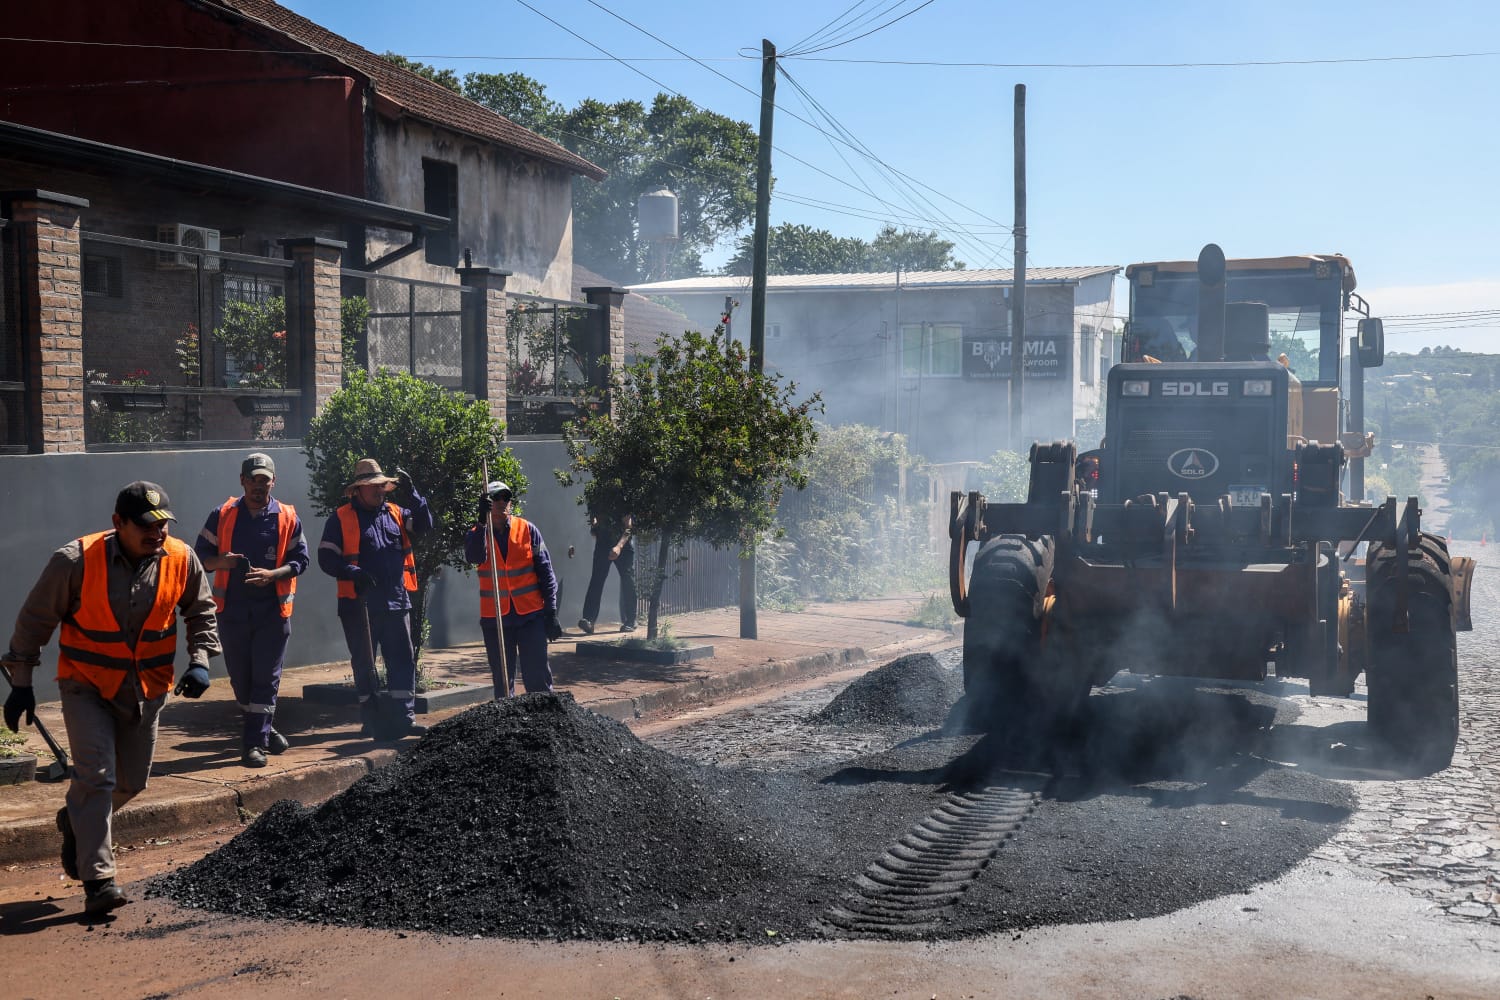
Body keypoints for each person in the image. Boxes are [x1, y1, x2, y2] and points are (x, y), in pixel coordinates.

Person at [1, 481, 220, 918]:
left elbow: (201, 610)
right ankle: (99, 881)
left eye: (162, 523)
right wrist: (21, 683)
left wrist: (201, 660)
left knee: (131, 782)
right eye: (145, 525)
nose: (156, 532)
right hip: (87, 685)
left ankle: (74, 822)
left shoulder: (180, 557)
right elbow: (34, 621)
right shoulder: (75, 560)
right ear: (118, 522)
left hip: (147, 687)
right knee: (96, 777)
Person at [194, 452, 309, 768]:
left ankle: (253, 744)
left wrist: (273, 575)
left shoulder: (287, 517)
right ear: (242, 481)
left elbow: (301, 560)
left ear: (273, 481)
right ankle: (265, 728)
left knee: (266, 678)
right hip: (232, 611)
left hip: (273, 612)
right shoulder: (222, 515)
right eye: (253, 479)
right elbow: (200, 557)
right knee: (241, 679)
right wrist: (224, 562)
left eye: (265, 480)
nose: (259, 486)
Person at [317, 458, 433, 739]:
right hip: (359, 606)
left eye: (382, 486)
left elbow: (425, 526)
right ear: (358, 490)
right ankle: (371, 721)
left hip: (396, 601)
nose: (379, 491)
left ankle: (404, 719)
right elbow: (326, 558)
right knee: (365, 664)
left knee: (402, 661)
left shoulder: (395, 512)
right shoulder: (341, 518)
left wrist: (414, 496)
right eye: (373, 487)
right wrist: (352, 572)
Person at [465, 481, 562, 699]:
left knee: (537, 676)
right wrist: (481, 522)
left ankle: (545, 721)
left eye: (505, 498)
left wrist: (551, 611)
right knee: (502, 678)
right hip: (496, 619)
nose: (501, 502)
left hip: (530, 616)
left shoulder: (528, 530)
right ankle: (508, 727)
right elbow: (474, 556)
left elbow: (546, 572)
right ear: (487, 503)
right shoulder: (477, 534)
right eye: (496, 498)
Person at [578, 509, 636, 634]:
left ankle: (630, 621)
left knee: (627, 580)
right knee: (596, 580)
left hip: (623, 546)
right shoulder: (597, 499)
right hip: (602, 545)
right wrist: (595, 526)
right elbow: (594, 525)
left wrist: (619, 546)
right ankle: (588, 620)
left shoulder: (623, 498)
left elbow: (629, 528)